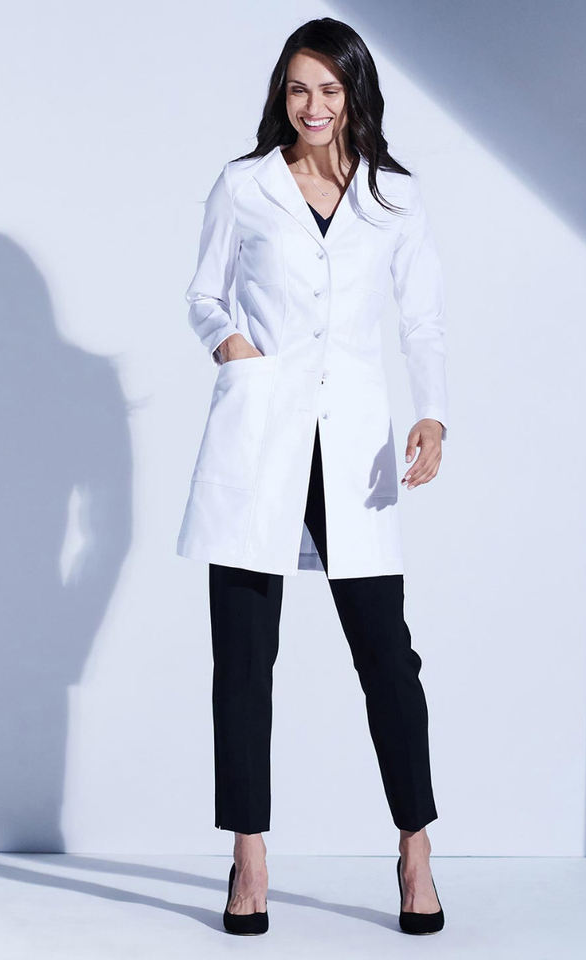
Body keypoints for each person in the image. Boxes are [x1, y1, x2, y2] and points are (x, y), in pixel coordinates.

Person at [176, 17, 447, 936]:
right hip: (260, 439)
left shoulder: (394, 198)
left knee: (387, 658)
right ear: (281, 96)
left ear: (356, 93)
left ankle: (415, 847)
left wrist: (432, 412)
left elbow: (422, 321)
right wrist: (231, 344)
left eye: (330, 89)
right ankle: (249, 855)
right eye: (299, 88)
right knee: (244, 660)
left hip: (354, 447)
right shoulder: (244, 185)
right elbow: (203, 293)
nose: (314, 105)